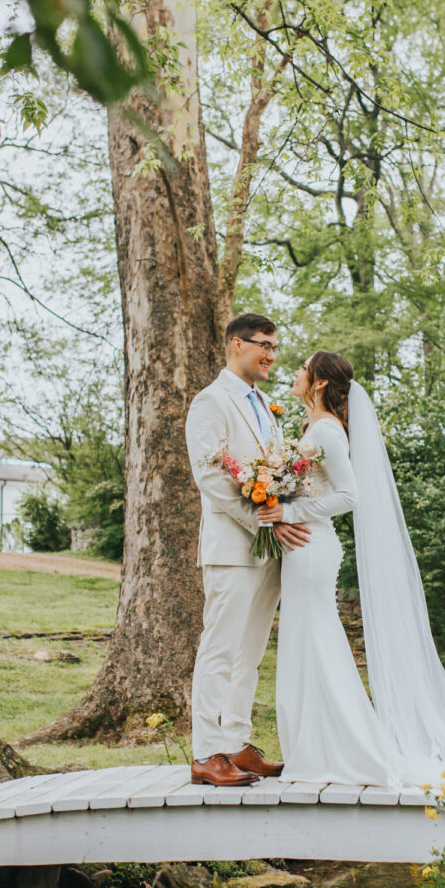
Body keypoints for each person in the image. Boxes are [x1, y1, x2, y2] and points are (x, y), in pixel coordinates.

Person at [256, 351, 445, 788]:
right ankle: (314, 749)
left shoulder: (326, 431)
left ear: (318, 384)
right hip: (303, 549)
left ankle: (351, 752)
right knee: (305, 642)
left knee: (318, 642)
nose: (294, 372)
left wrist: (288, 515)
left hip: (312, 547)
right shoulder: (314, 427)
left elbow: (350, 495)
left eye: (303, 368)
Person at [183, 314, 310, 786]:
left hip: (269, 549)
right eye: (265, 346)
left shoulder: (266, 404)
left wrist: (283, 517)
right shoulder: (210, 401)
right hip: (233, 545)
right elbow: (210, 475)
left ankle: (236, 743)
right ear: (237, 344)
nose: (273, 356)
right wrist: (260, 521)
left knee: (250, 652)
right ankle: (205, 754)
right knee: (219, 648)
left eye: (276, 348)